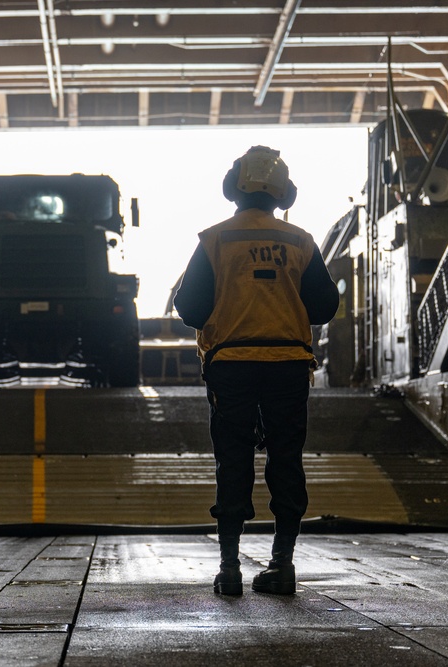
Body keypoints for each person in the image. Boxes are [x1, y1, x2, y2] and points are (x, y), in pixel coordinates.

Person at [173, 145, 339, 596]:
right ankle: (282, 565)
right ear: (285, 193)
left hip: (232, 365)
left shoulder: (215, 240)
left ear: (232, 189)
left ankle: (229, 570)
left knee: (233, 459)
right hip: (287, 365)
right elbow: (325, 306)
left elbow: (189, 308)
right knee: (287, 458)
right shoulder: (300, 241)